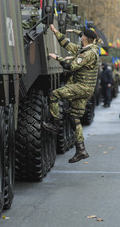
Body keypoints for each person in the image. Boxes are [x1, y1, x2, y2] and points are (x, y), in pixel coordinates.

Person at [43, 25, 100, 163]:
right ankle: (81, 150)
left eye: (81, 37)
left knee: (54, 95)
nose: (80, 38)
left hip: (81, 87)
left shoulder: (88, 54)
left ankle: (54, 124)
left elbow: (71, 66)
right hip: (86, 89)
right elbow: (67, 45)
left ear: (85, 38)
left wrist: (58, 58)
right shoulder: (86, 49)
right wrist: (55, 32)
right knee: (74, 118)